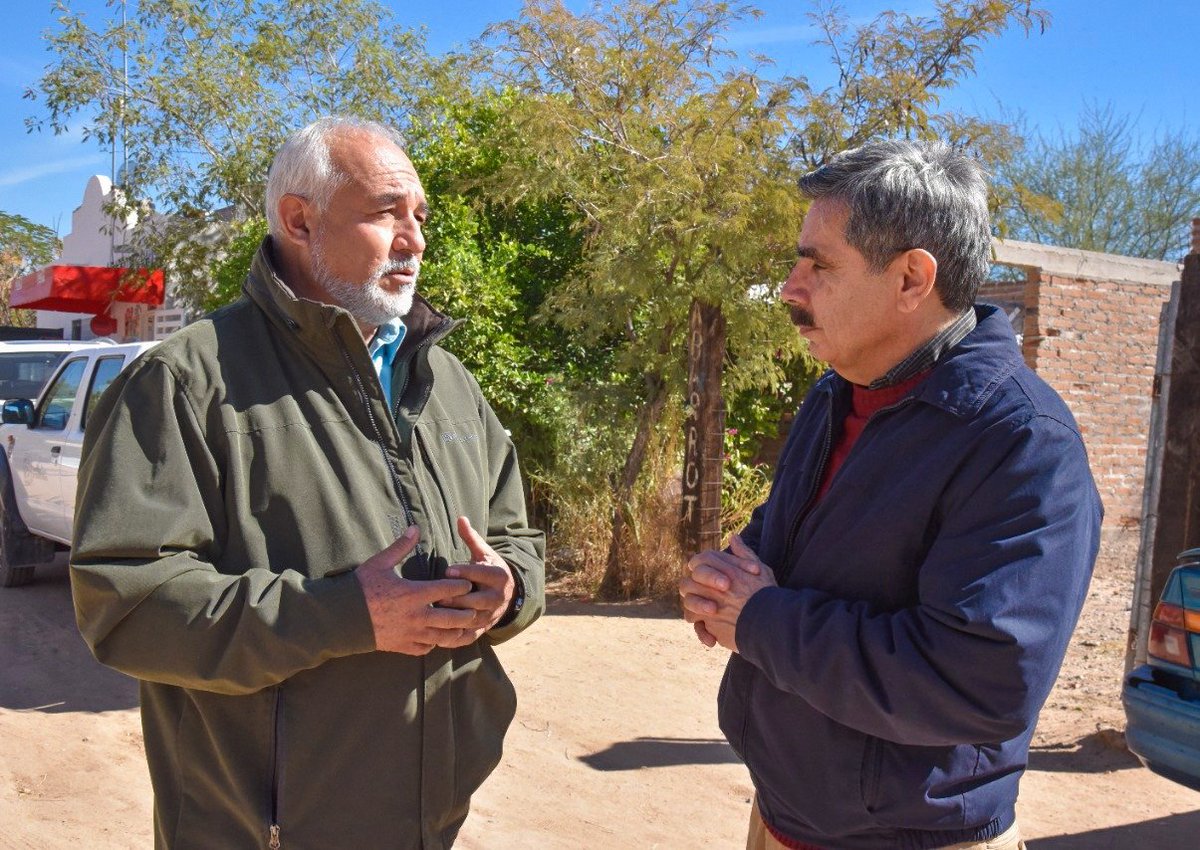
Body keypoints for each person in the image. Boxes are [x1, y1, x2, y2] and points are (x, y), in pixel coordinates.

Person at [71, 116, 545, 849]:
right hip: (261, 830)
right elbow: (126, 604)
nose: (414, 240)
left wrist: (509, 588)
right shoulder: (185, 382)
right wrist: (341, 613)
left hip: (430, 821)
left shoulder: (446, 380)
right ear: (300, 219)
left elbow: (517, 536)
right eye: (387, 211)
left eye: (419, 217)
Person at [679, 139, 1100, 850]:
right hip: (782, 820)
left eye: (819, 263)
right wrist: (728, 574)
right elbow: (791, 540)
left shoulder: (1022, 442)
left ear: (911, 278)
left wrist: (760, 620)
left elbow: (978, 681)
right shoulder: (838, 393)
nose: (790, 286)